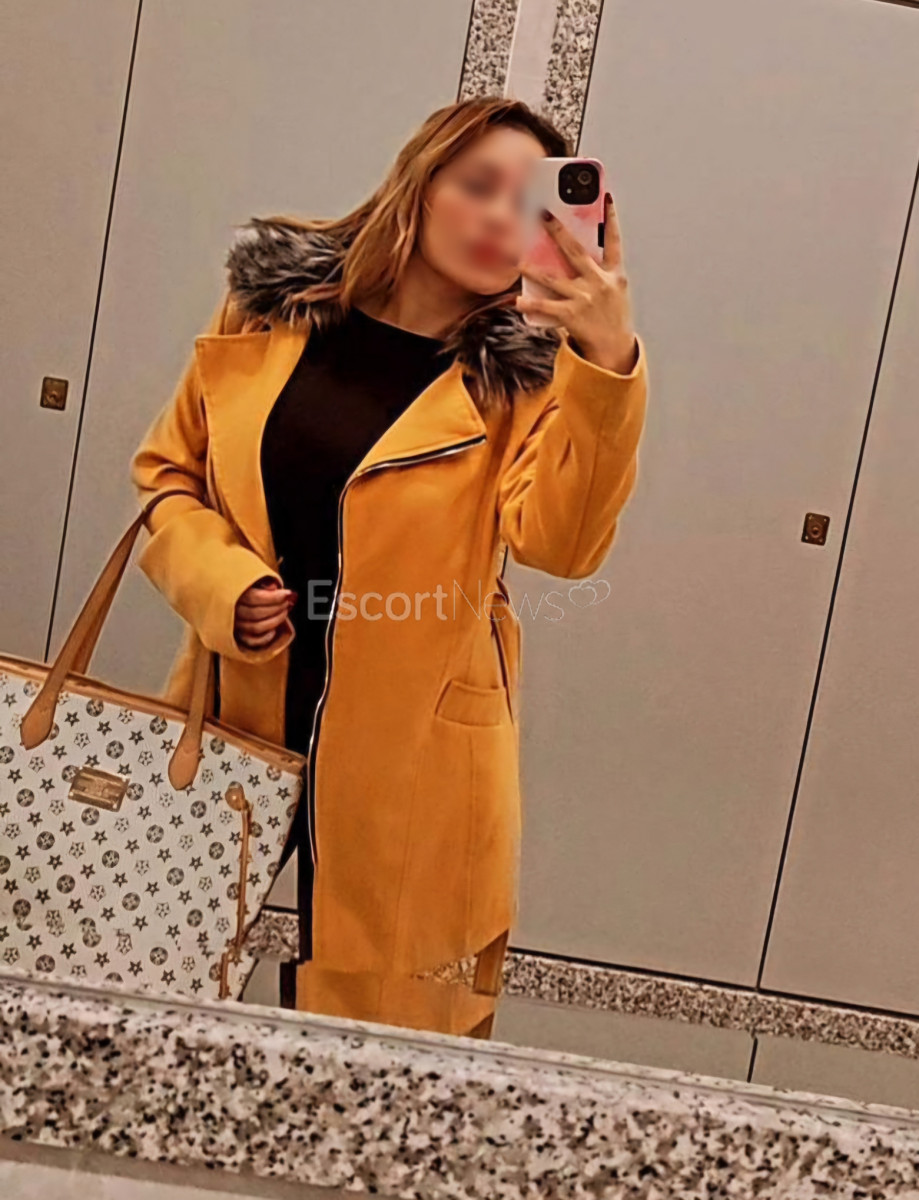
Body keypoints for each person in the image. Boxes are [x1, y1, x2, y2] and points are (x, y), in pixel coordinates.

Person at [129, 95, 648, 1038]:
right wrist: (221, 586)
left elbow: (564, 547)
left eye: (528, 205)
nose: (499, 219)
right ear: (421, 181)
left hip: (415, 746)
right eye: (478, 186)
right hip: (234, 704)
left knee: (378, 1044)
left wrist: (605, 359)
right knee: (151, 983)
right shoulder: (272, 309)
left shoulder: (528, 379)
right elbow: (169, 478)